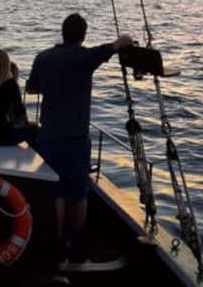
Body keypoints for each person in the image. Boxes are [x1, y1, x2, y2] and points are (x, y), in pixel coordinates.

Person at [26, 13, 133, 266]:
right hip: (75, 139)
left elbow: (31, 88)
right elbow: (120, 43)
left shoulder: (43, 57)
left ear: (62, 32)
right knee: (77, 192)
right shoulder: (86, 58)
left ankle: (57, 243)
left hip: (49, 136)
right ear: (83, 35)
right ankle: (74, 242)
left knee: (57, 191)